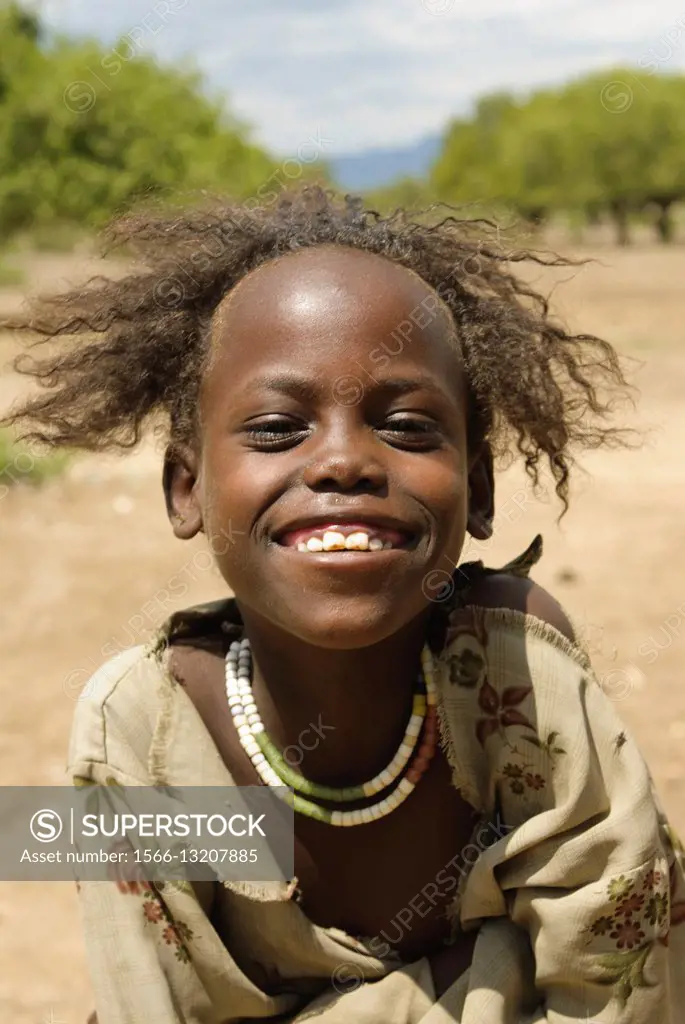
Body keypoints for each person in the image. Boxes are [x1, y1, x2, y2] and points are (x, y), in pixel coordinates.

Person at [3, 188, 684, 1023]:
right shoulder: (144, 732)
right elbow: (153, 1002)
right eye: (276, 428)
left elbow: (617, 982)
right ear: (187, 488)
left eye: (403, 425)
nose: (343, 462)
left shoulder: (516, 678)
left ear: (475, 488)